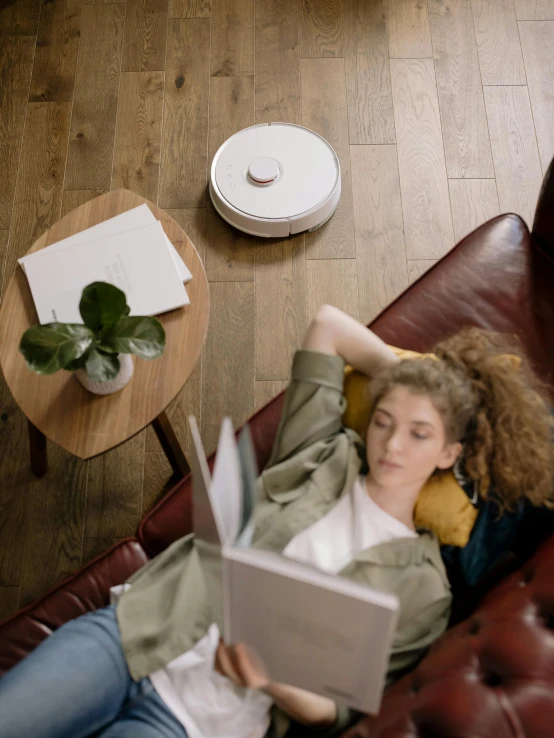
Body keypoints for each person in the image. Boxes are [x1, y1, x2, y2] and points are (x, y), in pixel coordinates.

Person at [1, 305, 553, 738]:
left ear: (449, 455)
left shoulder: (425, 590)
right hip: (136, 632)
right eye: (384, 421)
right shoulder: (325, 452)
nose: (391, 443)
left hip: (198, 721)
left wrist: (275, 682)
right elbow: (327, 327)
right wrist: (429, 385)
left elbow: (336, 712)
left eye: (419, 434)